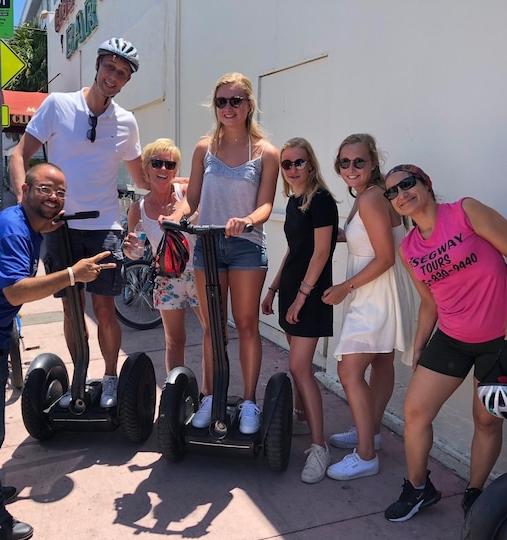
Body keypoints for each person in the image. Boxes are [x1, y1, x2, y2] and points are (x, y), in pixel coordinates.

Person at [0, 163, 116, 540]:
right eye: (46, 189)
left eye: (61, 193)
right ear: (25, 190)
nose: (54, 198)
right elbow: (15, 291)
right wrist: (71, 275)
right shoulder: (14, 232)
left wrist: (44, 227)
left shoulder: (20, 223)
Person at [381, 164, 507, 522]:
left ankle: (475, 491)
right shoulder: (409, 249)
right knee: (415, 413)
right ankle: (419, 488)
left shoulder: (465, 212)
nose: (401, 194)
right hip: (451, 337)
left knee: (486, 422)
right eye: (392, 192)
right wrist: (419, 346)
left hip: (501, 337)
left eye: (407, 184)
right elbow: (430, 302)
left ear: (427, 184)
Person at [9, 37, 146, 409]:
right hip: (60, 226)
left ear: (127, 80)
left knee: (104, 309)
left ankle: (112, 378)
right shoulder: (58, 105)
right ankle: (80, 377)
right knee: (71, 307)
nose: (113, 76)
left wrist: (177, 181)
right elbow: (20, 153)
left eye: (122, 72)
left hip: (104, 227)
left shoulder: (126, 123)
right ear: (97, 65)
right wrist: (28, 203)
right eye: (109, 67)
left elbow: (143, 179)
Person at [161, 72, 279, 434]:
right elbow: (192, 199)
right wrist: (175, 217)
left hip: (245, 246)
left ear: (249, 105)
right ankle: (210, 396)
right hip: (208, 245)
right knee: (213, 328)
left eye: (236, 101)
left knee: (245, 325)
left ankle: (248, 402)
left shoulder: (266, 153)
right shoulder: (203, 148)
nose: (228, 108)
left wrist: (246, 220)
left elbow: (265, 206)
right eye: (221, 102)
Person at [321, 134, 415, 482]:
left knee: (348, 370)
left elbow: (386, 256)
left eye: (358, 161)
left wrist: (346, 287)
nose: (350, 168)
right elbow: (367, 239)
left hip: (373, 291)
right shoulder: (370, 196)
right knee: (381, 362)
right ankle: (370, 432)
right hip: (380, 289)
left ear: (373, 163)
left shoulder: (373, 198)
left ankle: (365, 455)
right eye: (344, 162)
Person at [261, 138, 338, 483]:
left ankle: (320, 448)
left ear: (311, 164)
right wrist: (274, 289)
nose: (292, 169)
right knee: (297, 368)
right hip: (292, 290)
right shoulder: (295, 201)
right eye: (286, 163)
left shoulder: (321, 200)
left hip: (311, 294)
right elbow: (294, 252)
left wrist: (302, 297)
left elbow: (322, 253)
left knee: (299, 367)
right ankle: (302, 419)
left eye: (299, 162)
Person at [123, 138, 201, 374]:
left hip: (200, 272)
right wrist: (130, 248)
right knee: (174, 341)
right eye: (157, 163)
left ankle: (209, 394)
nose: (163, 169)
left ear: (176, 169)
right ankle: (175, 393)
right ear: (146, 167)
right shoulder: (138, 209)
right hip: (167, 277)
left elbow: (208, 186)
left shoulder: (186, 192)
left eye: (170, 165)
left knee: (215, 335)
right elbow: (135, 249)